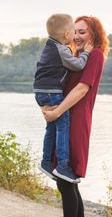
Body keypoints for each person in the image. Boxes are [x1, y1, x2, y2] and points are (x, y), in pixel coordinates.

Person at [42, 16, 109, 217]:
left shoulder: (95, 56)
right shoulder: (70, 55)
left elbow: (82, 89)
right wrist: (47, 106)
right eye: (75, 31)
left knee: (66, 181)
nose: (78, 36)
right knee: (66, 182)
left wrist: (56, 112)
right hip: (62, 120)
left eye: (83, 32)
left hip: (76, 123)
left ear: (93, 35)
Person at [33, 14, 93, 183]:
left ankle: (46, 162)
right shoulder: (62, 50)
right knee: (62, 125)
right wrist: (86, 53)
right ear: (67, 35)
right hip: (52, 92)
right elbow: (79, 65)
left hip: (40, 91)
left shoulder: (49, 46)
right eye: (75, 32)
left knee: (51, 127)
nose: (76, 36)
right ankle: (63, 165)